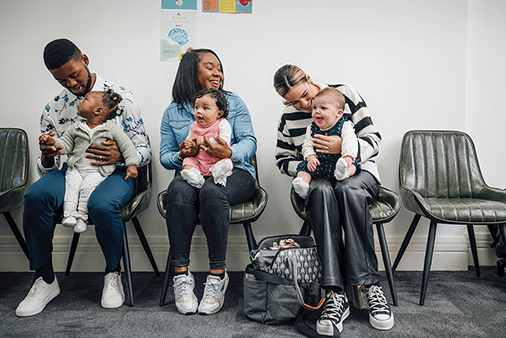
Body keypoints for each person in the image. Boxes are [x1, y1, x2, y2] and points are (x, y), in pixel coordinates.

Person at [16, 38, 150, 317]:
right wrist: (47, 155)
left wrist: (121, 157)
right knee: (36, 195)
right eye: (61, 80)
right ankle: (44, 279)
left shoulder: (120, 97)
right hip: (74, 170)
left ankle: (112, 273)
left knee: (102, 204)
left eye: (74, 74)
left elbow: (144, 147)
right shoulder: (53, 108)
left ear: (85, 60)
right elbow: (47, 171)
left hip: (115, 172)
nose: (71, 84)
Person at [273, 64, 393, 335]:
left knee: (347, 190)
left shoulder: (345, 93)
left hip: (358, 174)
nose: (304, 105)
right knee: (323, 191)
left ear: (309, 79)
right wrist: (306, 167)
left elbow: (374, 139)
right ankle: (334, 292)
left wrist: (346, 149)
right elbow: (282, 160)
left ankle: (369, 286)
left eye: (305, 95)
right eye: (293, 101)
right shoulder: (288, 118)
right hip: (319, 179)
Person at [160, 49, 257, 315]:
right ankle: (181, 276)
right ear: (192, 71)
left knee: (213, 190)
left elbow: (250, 141)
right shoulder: (173, 112)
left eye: (219, 68)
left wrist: (229, 153)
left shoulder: (234, 103)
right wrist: (182, 154)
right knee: (177, 191)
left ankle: (217, 276)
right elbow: (165, 157)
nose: (218, 73)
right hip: (193, 172)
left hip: (235, 172)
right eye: (210, 67)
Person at [38, 90, 139, 233]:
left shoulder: (112, 129)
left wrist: (132, 165)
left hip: (98, 171)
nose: (80, 102)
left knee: (87, 188)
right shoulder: (76, 127)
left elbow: (127, 147)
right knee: (72, 187)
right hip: (76, 169)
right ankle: (69, 215)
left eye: (85, 99)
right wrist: (52, 141)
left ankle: (82, 217)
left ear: (98, 110)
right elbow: (65, 145)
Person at [292, 87, 360, 199]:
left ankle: (344, 173)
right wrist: (311, 158)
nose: (317, 111)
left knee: (353, 166)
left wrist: (347, 157)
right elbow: (307, 145)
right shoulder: (312, 128)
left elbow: (350, 142)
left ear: (339, 113)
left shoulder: (345, 125)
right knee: (303, 169)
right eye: (314, 108)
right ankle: (303, 188)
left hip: (338, 163)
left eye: (323, 108)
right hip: (319, 164)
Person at [180, 88, 233, 188]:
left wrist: (205, 141)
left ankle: (219, 173)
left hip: (216, 160)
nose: (199, 111)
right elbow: (189, 139)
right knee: (187, 161)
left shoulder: (222, 124)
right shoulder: (194, 126)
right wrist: (189, 144)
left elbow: (224, 141)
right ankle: (194, 177)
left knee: (226, 162)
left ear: (219, 114)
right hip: (199, 161)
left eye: (205, 108)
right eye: (196, 107)